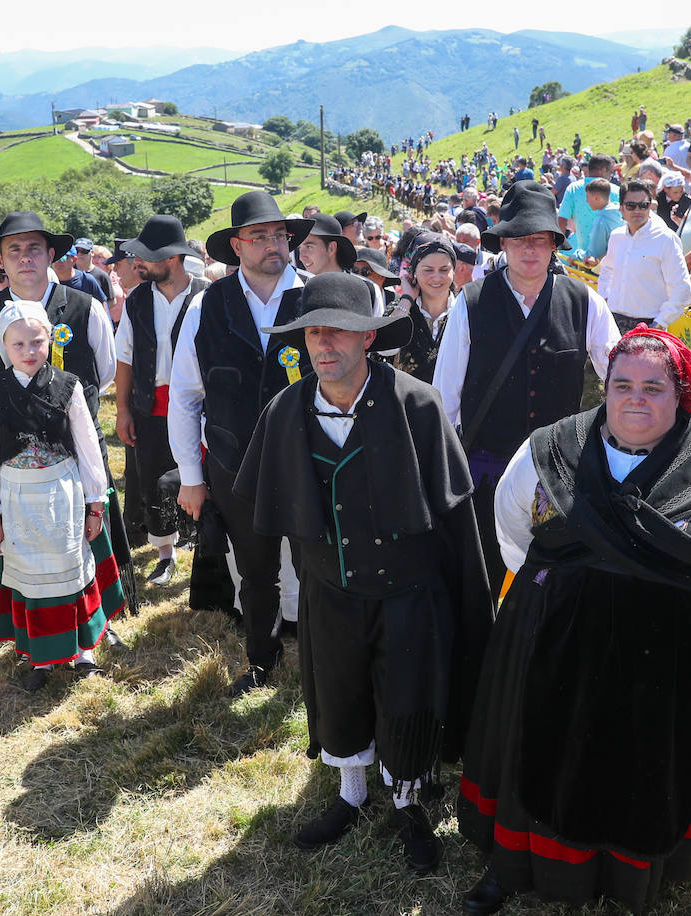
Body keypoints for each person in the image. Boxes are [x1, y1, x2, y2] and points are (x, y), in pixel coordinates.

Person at [457, 326, 691, 915]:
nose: (635, 398)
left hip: (664, 651)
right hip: (549, 636)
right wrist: (553, 594)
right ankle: (515, 862)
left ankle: (631, 880)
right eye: (622, 385)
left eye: (653, 387)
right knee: (532, 740)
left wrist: (689, 596)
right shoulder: (551, 448)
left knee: (644, 761)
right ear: (604, 388)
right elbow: (512, 528)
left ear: (682, 394)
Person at [234, 272, 493, 873]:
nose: (325, 345)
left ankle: (406, 803)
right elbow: (266, 508)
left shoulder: (417, 405)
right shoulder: (287, 409)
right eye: (315, 332)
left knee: (406, 699)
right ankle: (351, 794)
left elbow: (456, 521)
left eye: (340, 332)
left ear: (368, 339)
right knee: (340, 692)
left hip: (408, 592)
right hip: (330, 589)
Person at [432, 180, 621, 592]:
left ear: (555, 243)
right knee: (485, 575)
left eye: (539, 239)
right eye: (519, 239)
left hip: (559, 470)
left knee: (553, 577)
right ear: (503, 244)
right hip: (487, 467)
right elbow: (445, 396)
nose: (530, 249)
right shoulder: (471, 302)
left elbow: (620, 373)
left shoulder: (584, 300)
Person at [170, 192, 313, 696]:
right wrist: (191, 477)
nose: (274, 244)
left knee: (318, 568)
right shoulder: (206, 306)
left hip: (309, 465)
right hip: (235, 464)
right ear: (236, 245)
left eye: (281, 235)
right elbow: (186, 396)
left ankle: (323, 664)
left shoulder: (318, 295)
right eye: (260, 236)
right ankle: (262, 661)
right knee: (255, 573)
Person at [0, 301, 125, 689]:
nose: (29, 351)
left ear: (49, 339)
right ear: (3, 346)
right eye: (18, 344)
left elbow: (89, 447)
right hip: (17, 499)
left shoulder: (68, 385)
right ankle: (41, 657)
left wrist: (95, 504)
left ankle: (85, 650)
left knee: (72, 569)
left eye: (37, 341)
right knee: (31, 577)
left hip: (63, 494)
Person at [114, 215, 210, 586]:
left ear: (171, 259)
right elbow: (125, 357)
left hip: (200, 403)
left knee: (201, 476)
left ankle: (204, 545)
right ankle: (165, 552)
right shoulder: (137, 300)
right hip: (150, 402)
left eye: (146, 257)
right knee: (154, 479)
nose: (138, 264)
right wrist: (123, 409)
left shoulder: (207, 293)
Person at [597, 178, 691, 333]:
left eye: (643, 205)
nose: (637, 210)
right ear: (621, 208)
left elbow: (681, 289)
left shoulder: (665, 239)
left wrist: (659, 324)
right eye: (631, 205)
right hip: (613, 321)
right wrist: (605, 300)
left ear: (650, 206)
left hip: (649, 325)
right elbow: (607, 270)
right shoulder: (617, 236)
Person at [391, 234, 457, 383]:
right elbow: (385, 348)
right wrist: (407, 299)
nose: (436, 277)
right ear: (414, 272)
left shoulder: (465, 310)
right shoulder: (401, 309)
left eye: (444, 269)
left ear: (454, 270)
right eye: (428, 270)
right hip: (407, 404)